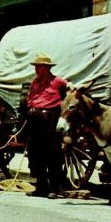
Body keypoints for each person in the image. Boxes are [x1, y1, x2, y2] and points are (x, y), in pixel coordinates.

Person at [22, 53, 69, 199]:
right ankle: (41, 186)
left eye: (40, 67)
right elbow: (29, 98)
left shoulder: (58, 82)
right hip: (35, 119)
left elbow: (69, 94)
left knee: (53, 152)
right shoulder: (34, 82)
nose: (37, 69)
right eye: (36, 67)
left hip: (51, 118)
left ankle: (55, 188)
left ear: (47, 68)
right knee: (35, 153)